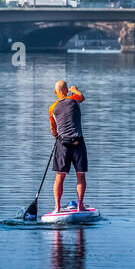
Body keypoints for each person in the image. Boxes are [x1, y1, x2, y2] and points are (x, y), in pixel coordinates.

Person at [48, 80, 87, 213]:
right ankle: (80, 206)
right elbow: (82, 97)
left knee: (60, 175)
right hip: (78, 143)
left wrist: (57, 137)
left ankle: (57, 207)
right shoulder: (74, 99)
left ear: (55, 92)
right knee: (80, 175)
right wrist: (74, 89)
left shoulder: (52, 108)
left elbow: (53, 130)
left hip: (63, 143)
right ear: (66, 91)